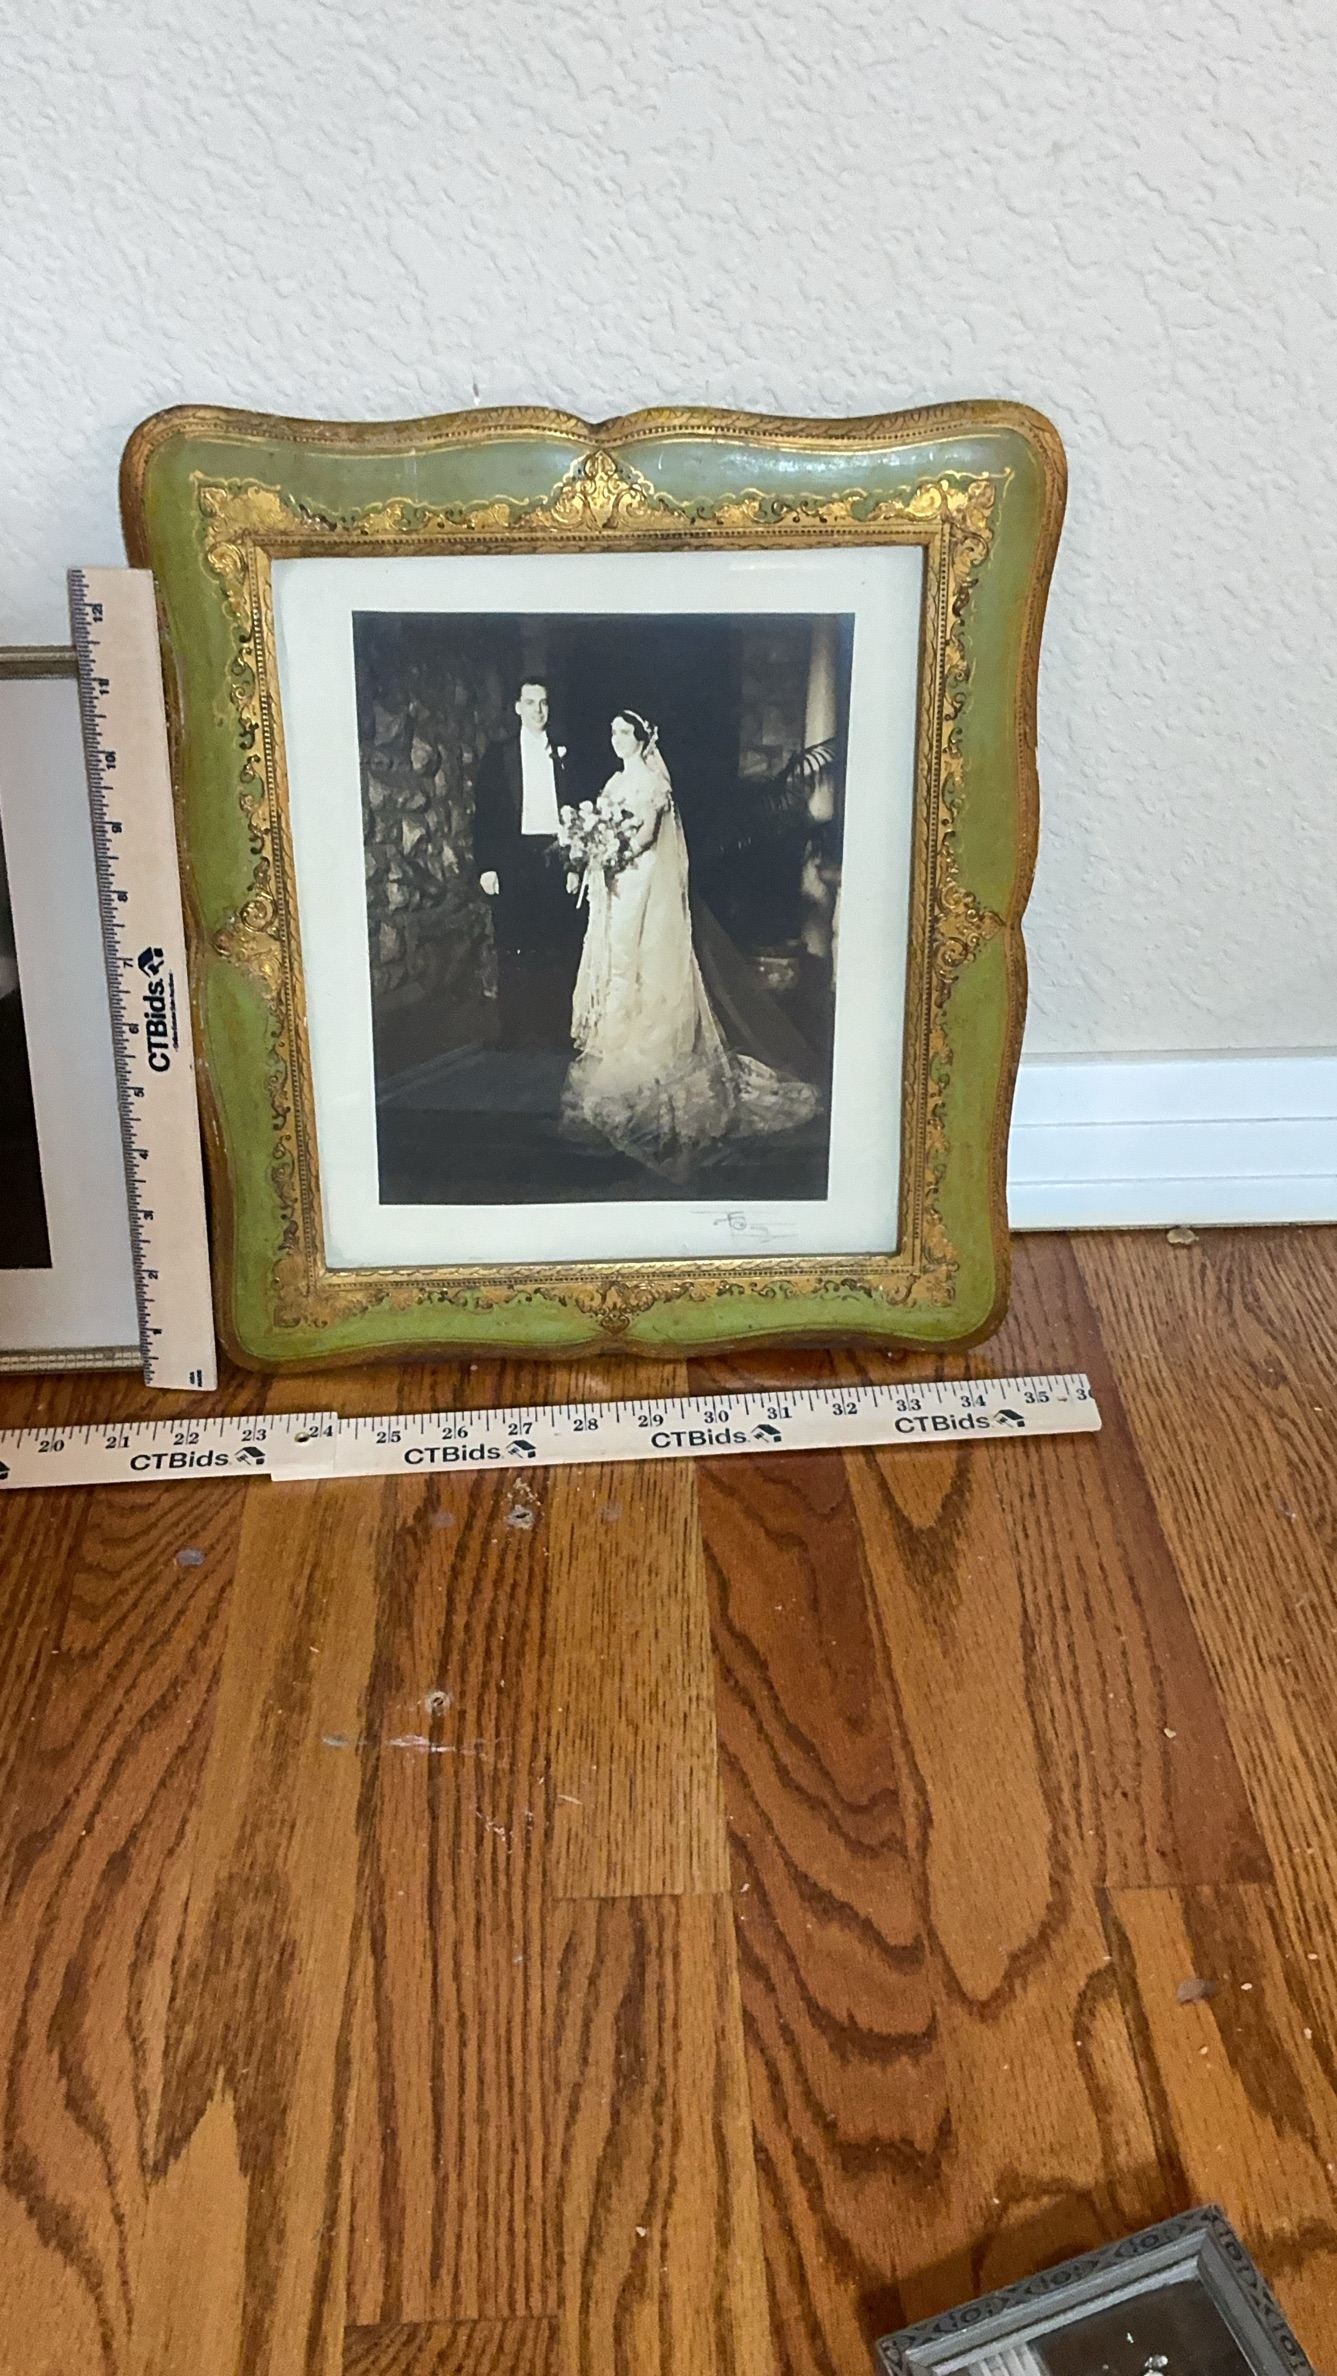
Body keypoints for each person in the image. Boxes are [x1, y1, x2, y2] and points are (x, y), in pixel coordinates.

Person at [562, 711, 821, 1178]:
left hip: (640, 882)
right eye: (612, 732)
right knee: (614, 958)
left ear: (642, 740)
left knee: (639, 958)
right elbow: (605, 826)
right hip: (615, 884)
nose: (616, 739)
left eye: (624, 733)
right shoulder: (614, 782)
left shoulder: (652, 784)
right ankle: (614, 1039)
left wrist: (609, 851)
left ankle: (645, 1047)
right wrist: (590, 851)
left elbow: (644, 837)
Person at [473, 678, 582, 1050]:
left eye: (544, 703)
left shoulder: (565, 754)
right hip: (513, 858)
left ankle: (557, 1030)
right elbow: (485, 815)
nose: (538, 710)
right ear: (518, 707)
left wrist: (573, 864)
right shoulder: (499, 755)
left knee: (557, 942)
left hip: (554, 855)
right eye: (531, 702)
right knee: (513, 942)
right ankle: (515, 1030)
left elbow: (577, 813)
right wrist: (487, 867)